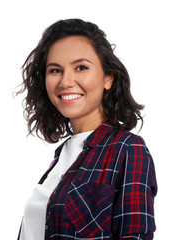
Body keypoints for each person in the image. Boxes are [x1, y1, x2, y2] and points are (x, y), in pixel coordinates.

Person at [17, 18, 157, 240]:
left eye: (81, 67)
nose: (65, 81)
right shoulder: (62, 154)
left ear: (108, 78)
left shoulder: (128, 149)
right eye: (55, 70)